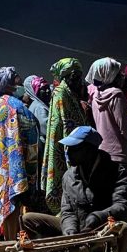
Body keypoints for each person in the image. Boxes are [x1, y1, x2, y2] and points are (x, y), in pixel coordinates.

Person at [22, 126, 127, 252]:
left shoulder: (115, 171)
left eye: (74, 148)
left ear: (90, 150)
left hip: (102, 229)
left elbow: (123, 206)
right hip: (78, 229)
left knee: (124, 228)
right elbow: (67, 211)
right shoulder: (69, 176)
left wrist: (99, 217)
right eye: (68, 147)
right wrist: (70, 232)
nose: (68, 152)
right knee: (28, 219)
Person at [0, 67, 40, 239]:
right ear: (9, 82)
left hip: (3, 164)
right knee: (13, 205)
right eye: (17, 79)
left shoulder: (1, 103)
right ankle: (13, 244)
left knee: (9, 204)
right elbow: (27, 132)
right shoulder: (12, 105)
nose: (20, 82)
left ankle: (11, 240)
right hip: (15, 164)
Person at [87, 57, 127, 209]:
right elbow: (125, 129)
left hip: (104, 154)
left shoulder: (95, 95)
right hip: (123, 155)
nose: (122, 76)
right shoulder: (116, 95)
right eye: (118, 74)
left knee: (113, 203)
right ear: (109, 76)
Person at [43, 58, 86, 214]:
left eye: (79, 76)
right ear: (65, 77)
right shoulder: (61, 93)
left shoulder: (71, 94)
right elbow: (66, 125)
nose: (78, 80)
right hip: (68, 150)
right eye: (74, 76)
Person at [23, 75, 52, 145]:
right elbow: (47, 128)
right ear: (36, 92)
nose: (47, 91)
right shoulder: (40, 107)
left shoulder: (38, 104)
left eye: (47, 87)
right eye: (43, 89)